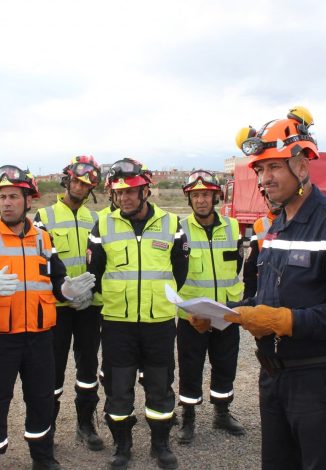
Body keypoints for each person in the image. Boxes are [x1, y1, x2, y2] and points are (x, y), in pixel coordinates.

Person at [225, 108, 326, 470]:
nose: (264, 179)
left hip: (321, 378)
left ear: (302, 166)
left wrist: (284, 321)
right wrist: (228, 314)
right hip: (275, 375)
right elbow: (268, 298)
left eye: (274, 167)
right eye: (260, 169)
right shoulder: (277, 225)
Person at [0, 165, 95, 470]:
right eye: (2, 197)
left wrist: (67, 290)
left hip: (39, 338)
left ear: (28, 200)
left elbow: (56, 280)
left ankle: (42, 458)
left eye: (14, 197)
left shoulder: (44, 239)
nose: (6, 203)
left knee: (41, 401)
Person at [87, 158, 189, 470]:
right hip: (118, 324)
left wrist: (157, 297)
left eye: (131, 191)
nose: (124, 198)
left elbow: (180, 270)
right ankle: (123, 445)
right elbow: (96, 271)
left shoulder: (171, 224)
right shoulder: (103, 225)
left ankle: (160, 444)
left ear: (145, 191)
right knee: (118, 389)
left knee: (160, 387)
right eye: (119, 193)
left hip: (159, 323)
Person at [33, 155, 104, 451]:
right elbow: (39, 264)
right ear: (67, 181)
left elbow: (101, 262)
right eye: (76, 181)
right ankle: (47, 426)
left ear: (91, 188)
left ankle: (85, 424)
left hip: (89, 306)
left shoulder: (96, 220)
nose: (79, 187)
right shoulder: (44, 217)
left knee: (88, 368)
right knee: (52, 370)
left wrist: (91, 291)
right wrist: (62, 292)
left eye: (86, 184)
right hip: (57, 307)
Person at [175, 169, 246, 446]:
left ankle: (222, 412)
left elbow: (237, 264)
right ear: (189, 199)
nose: (201, 200)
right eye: (196, 196)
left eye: (206, 194)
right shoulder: (179, 229)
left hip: (226, 312)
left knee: (225, 363)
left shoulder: (233, 227)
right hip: (193, 315)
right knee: (190, 366)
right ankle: (188, 417)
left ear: (215, 197)